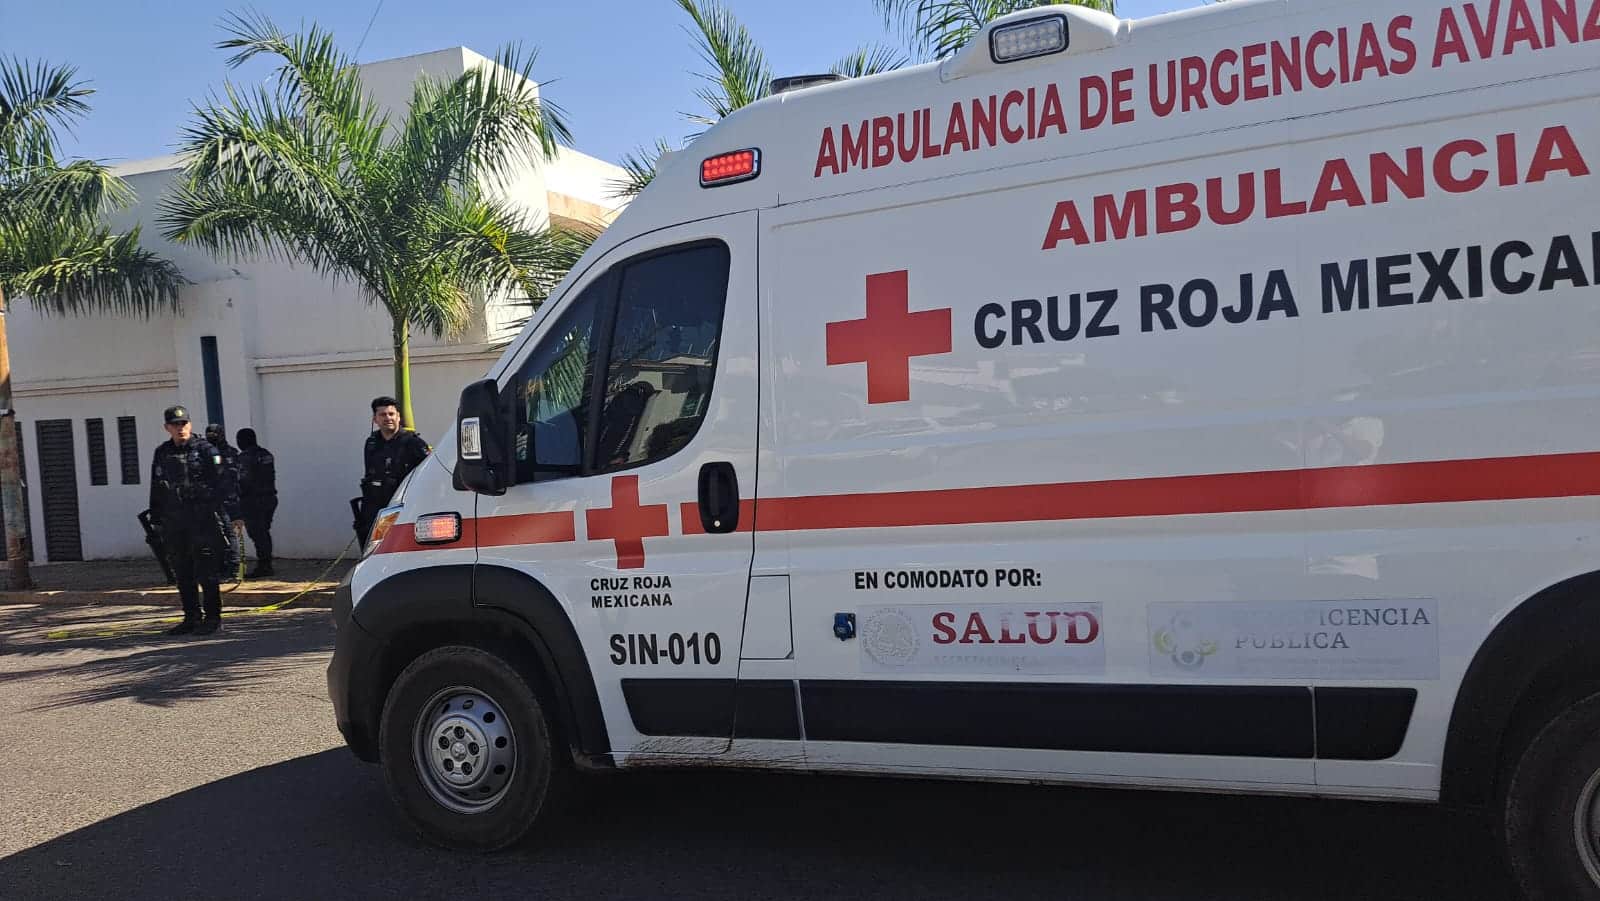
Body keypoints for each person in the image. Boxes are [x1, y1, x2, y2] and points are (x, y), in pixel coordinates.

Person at [149, 405, 242, 636]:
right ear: (167, 428)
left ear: (190, 425)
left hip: (203, 519)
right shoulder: (162, 452)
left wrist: (232, 513)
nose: (180, 428)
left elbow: (224, 483)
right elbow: (157, 486)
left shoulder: (205, 450)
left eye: (183, 424)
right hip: (175, 521)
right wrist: (156, 517)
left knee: (206, 570)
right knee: (182, 571)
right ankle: (191, 617)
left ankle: (212, 618)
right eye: (175, 425)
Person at [354, 396, 430, 544]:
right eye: (382, 415)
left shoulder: (412, 443)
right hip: (374, 508)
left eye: (391, 414)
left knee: (396, 546)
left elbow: (428, 474)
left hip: (400, 507)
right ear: (375, 419)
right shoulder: (372, 443)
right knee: (371, 547)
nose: (388, 418)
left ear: (398, 417)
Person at [236, 428, 278, 578]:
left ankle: (264, 565)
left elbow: (243, 480)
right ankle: (266, 563)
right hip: (269, 498)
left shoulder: (245, 458)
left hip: (253, 501)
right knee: (264, 532)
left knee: (258, 534)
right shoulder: (266, 454)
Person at [205, 423, 243, 579]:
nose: (211, 437)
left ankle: (233, 568)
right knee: (218, 534)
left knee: (228, 533)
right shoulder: (226, 452)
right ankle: (223, 566)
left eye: (214, 434)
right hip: (219, 498)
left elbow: (225, 476)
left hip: (225, 498)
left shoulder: (219, 454)